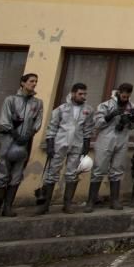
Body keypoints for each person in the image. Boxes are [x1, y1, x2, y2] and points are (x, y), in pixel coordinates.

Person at [0, 73, 43, 219]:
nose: (34, 84)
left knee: (17, 174)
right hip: (8, 140)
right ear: (22, 83)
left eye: (36, 81)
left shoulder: (37, 103)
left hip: (25, 142)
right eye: (31, 81)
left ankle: (8, 207)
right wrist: (14, 134)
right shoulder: (10, 100)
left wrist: (29, 135)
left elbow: (37, 122)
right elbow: (4, 119)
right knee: (2, 172)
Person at [35, 82, 93, 215]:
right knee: (52, 173)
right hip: (59, 144)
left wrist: (86, 144)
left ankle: (67, 204)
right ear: (73, 93)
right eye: (80, 94)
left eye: (85, 94)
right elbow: (52, 127)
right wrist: (50, 144)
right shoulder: (61, 109)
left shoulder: (88, 110)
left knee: (72, 174)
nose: (83, 96)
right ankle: (45, 204)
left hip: (77, 144)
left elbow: (88, 129)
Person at [86, 83, 134, 213]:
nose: (125, 97)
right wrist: (110, 116)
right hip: (106, 139)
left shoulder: (131, 106)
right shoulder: (106, 105)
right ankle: (91, 201)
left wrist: (132, 120)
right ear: (118, 93)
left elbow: (132, 127)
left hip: (122, 139)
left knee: (117, 169)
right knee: (99, 168)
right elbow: (97, 123)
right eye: (123, 95)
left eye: (127, 96)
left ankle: (114, 200)